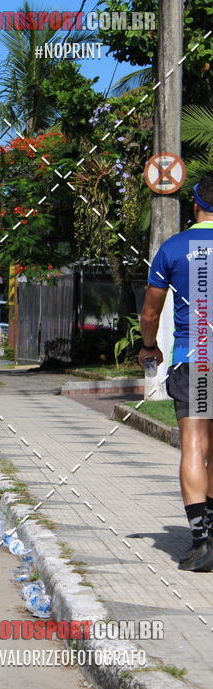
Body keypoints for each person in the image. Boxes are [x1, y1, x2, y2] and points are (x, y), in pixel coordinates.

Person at [140, 176, 213, 572]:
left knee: (194, 447)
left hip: (196, 357)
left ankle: (202, 543)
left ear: (195, 205)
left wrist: (149, 346)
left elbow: (150, 313)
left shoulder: (173, 248)